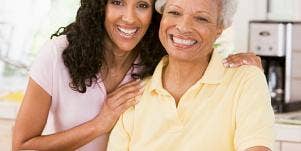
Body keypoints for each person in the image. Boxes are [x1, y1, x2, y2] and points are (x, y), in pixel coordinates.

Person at [13, 0, 263, 150]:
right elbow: (22, 147)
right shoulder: (58, 56)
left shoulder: (156, 62)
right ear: (101, 5)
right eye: (118, 2)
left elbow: (192, 43)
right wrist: (101, 123)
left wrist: (246, 69)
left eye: (142, 5)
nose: (130, 18)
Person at [107, 0, 275, 151]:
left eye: (201, 18)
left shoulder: (245, 80)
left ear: (220, 28)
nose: (184, 27)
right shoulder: (133, 95)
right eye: (174, 13)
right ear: (161, 19)